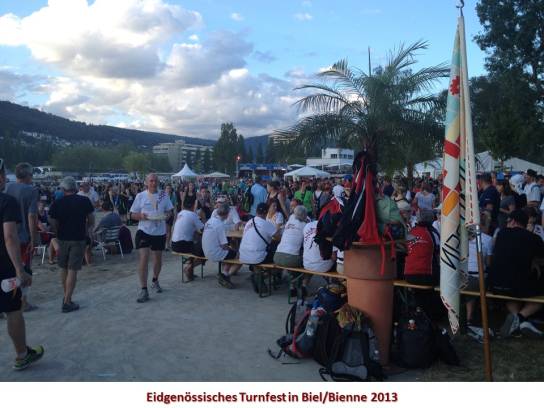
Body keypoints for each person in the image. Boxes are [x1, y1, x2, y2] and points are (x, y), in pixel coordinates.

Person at [0, 158, 44, 370]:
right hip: (6, 260)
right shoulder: (8, 200)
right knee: (13, 309)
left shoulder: (9, 191)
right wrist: (20, 268)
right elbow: (11, 235)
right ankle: (21, 355)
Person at [488, 210, 544, 338]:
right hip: (516, 286)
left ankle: (515, 321)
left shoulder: (501, 234)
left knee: (511, 286)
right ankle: (521, 318)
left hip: (495, 285)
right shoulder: (533, 238)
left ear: (513, 221)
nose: (507, 223)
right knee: (532, 287)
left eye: (508, 221)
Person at [48, 177, 95, 313]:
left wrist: (57, 230)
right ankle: (67, 301)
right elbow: (91, 219)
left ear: (63, 189)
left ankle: (66, 296)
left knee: (63, 268)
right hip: (78, 238)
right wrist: (87, 229)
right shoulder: (84, 201)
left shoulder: (57, 203)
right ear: (75, 188)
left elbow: (52, 220)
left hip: (62, 238)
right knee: (72, 269)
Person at [129, 173, 174, 303]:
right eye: (151, 181)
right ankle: (144, 289)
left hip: (159, 232)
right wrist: (141, 216)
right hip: (144, 231)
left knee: (158, 259)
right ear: (146, 183)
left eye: (155, 181)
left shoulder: (164, 195)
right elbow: (131, 215)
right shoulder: (140, 196)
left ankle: (155, 279)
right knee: (144, 258)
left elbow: (170, 211)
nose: (154, 183)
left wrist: (167, 215)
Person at [4, 163, 39, 312]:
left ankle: (5, 301)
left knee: (6, 269)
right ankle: (23, 301)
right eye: (31, 175)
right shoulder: (31, 191)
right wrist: (33, 237)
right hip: (22, 236)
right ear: (27, 176)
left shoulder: (6, 187)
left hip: (5, 234)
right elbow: (32, 216)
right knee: (25, 269)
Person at [202, 203, 239, 289]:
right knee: (237, 254)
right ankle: (225, 275)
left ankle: (224, 273)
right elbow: (224, 246)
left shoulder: (209, 221)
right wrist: (233, 250)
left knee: (230, 252)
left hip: (205, 251)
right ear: (227, 214)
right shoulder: (220, 225)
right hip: (214, 253)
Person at [274, 205, 308, 298]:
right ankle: (300, 285)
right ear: (304, 215)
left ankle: (292, 286)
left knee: (292, 258)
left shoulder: (289, 222)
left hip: (277, 257)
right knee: (307, 263)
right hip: (290, 259)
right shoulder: (304, 226)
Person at [171, 199, 205, 281]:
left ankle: (190, 272)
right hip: (183, 245)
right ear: (193, 206)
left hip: (174, 244)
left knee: (195, 247)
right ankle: (189, 268)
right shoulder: (193, 215)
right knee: (206, 252)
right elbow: (203, 229)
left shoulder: (180, 213)